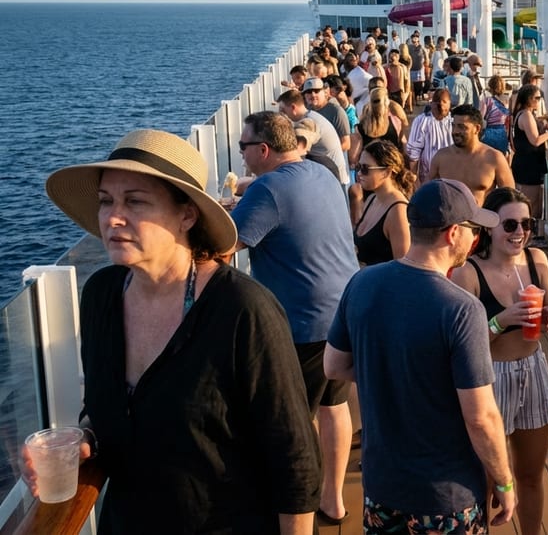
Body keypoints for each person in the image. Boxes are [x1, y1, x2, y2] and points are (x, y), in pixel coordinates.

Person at [39, 129, 320, 533]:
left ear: (187, 215)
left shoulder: (242, 310)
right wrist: (87, 438)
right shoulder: (101, 296)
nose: (112, 217)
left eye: (135, 201)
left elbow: (294, 460)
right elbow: (108, 405)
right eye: (106, 201)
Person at [325, 179, 516, 533]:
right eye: (473, 230)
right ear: (453, 233)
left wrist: (391, 371)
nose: (476, 240)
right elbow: (480, 417)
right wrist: (504, 481)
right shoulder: (461, 309)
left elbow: (333, 365)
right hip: (445, 497)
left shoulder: (362, 283)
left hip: (382, 488)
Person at [232, 112, 359, 524]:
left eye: (243, 147)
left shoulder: (267, 189)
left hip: (303, 324)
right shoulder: (321, 173)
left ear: (263, 150)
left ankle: (295, 511)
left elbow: (226, 243)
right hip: (344, 311)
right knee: (334, 404)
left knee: (293, 424)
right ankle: (333, 499)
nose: (241, 155)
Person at [451, 188, 548, 535]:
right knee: (485, 478)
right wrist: (502, 321)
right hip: (490, 377)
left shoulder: (537, 262)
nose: (519, 232)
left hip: (534, 368)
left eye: (526, 224)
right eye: (510, 224)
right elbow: (460, 346)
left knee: (530, 475)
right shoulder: (469, 274)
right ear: (490, 228)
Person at [428, 104, 515, 204]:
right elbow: (425, 193)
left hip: (481, 218)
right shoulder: (441, 157)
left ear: (477, 129)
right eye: (453, 125)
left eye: (462, 127)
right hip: (448, 219)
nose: (455, 131)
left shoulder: (494, 158)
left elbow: (510, 198)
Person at [511, 84, 548, 247]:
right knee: (530, 202)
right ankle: (528, 237)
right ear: (528, 99)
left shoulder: (528, 114)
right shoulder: (525, 115)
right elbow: (535, 140)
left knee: (537, 202)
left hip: (532, 162)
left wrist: (547, 126)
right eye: (537, 98)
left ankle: (536, 236)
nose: (539, 101)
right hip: (528, 163)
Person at [354, 140, 414, 265]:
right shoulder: (372, 199)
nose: (359, 174)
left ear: (386, 172)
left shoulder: (398, 211)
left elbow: (403, 266)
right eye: (358, 167)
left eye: (365, 169)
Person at [407, 87, 454, 185]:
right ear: (431, 103)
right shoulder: (421, 121)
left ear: (450, 103)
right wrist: (415, 180)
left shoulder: (455, 122)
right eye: (437, 102)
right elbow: (414, 152)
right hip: (428, 177)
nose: (440, 105)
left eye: (444, 102)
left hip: (452, 177)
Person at [480, 74, 512, 154]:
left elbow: (480, 117)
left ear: (490, 86)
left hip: (489, 132)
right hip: (503, 133)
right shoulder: (508, 100)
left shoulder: (486, 100)